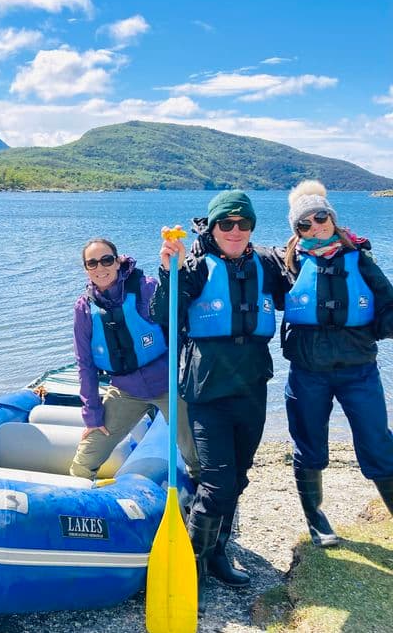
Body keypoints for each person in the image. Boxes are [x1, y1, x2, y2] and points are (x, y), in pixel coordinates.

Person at [152, 191, 287, 610]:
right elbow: (163, 314)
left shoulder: (266, 262)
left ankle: (217, 552)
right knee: (217, 481)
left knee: (240, 475)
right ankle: (193, 559)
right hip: (207, 387)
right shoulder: (189, 265)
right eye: (226, 224)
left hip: (251, 385)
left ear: (252, 228)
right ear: (212, 227)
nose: (235, 231)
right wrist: (165, 268)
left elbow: (305, 284)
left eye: (243, 224)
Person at [280, 180, 393, 544]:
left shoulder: (359, 257)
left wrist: (370, 331)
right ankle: (317, 522)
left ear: (331, 216)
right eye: (305, 224)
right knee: (309, 444)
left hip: (358, 369)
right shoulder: (289, 263)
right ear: (296, 230)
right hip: (307, 372)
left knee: (377, 441)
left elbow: (387, 303)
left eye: (321, 216)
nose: (315, 226)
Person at [68, 238, 199, 482]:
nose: (100, 268)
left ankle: (204, 505)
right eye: (92, 263)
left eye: (107, 260)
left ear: (118, 261)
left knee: (197, 456)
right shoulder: (84, 308)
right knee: (84, 463)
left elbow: (178, 320)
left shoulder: (145, 288)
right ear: (86, 269)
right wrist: (92, 417)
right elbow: (84, 364)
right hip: (125, 391)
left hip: (167, 384)